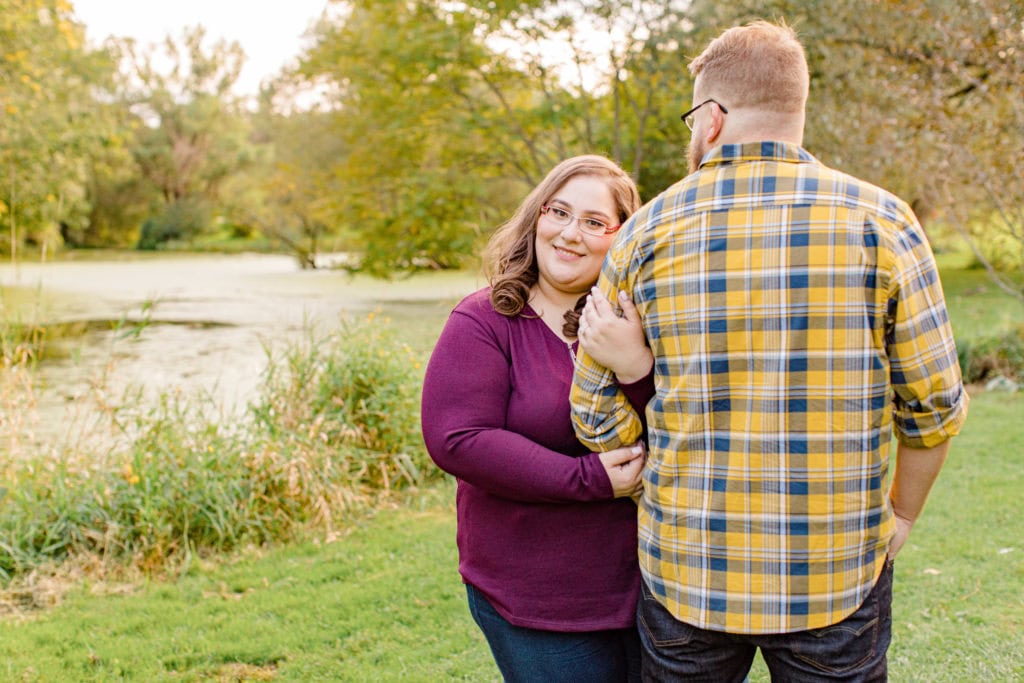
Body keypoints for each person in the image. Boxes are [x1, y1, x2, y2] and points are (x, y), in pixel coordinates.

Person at [569, 20, 968, 682]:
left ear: (713, 118)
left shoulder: (644, 233)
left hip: (688, 565)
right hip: (836, 569)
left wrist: (658, 479)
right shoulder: (884, 221)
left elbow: (592, 408)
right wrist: (901, 514)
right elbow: (933, 407)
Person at [421, 155, 655, 682]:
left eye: (594, 222)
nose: (570, 234)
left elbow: (686, 426)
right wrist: (588, 479)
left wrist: (634, 367)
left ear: (622, 238)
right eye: (559, 212)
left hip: (651, 588)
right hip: (537, 598)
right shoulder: (485, 319)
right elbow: (458, 439)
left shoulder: (641, 321)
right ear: (537, 216)